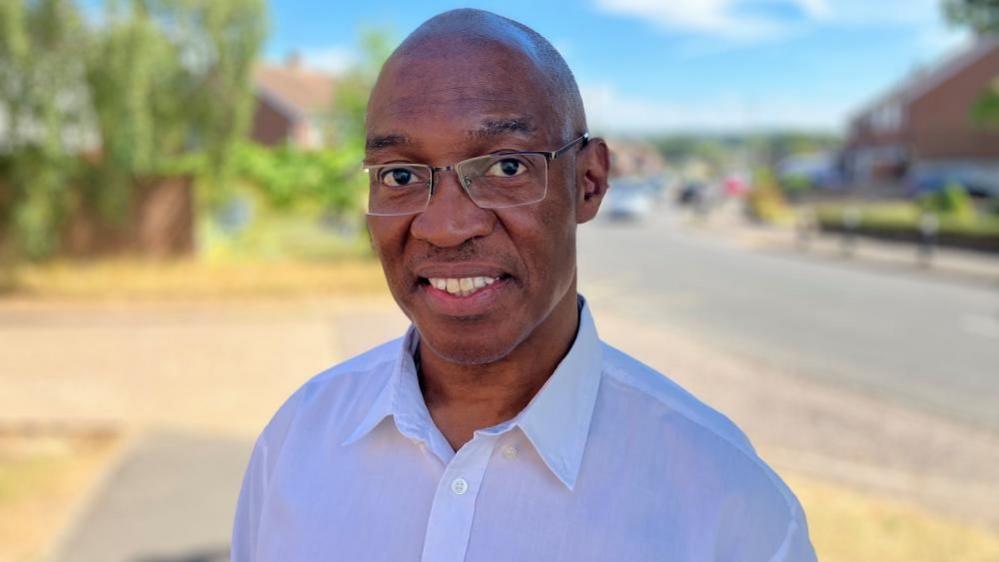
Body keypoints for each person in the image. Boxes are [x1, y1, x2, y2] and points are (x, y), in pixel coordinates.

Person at [232, 8, 816, 562]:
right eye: (402, 175)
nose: (446, 227)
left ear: (589, 182)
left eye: (506, 167)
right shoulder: (296, 444)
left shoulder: (725, 503)